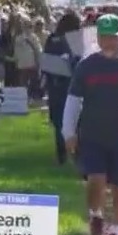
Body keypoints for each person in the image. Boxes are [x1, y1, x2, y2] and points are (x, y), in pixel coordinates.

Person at [61, 14, 118, 235]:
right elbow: (74, 100)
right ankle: (96, 217)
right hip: (93, 135)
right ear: (97, 37)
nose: (109, 41)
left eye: (114, 36)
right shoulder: (87, 65)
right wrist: (68, 132)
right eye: (105, 36)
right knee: (96, 179)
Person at [43, 10, 82, 166]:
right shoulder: (78, 39)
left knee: (59, 122)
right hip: (74, 85)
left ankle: (62, 156)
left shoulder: (52, 39)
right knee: (77, 120)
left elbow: (45, 63)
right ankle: (77, 154)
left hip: (56, 86)